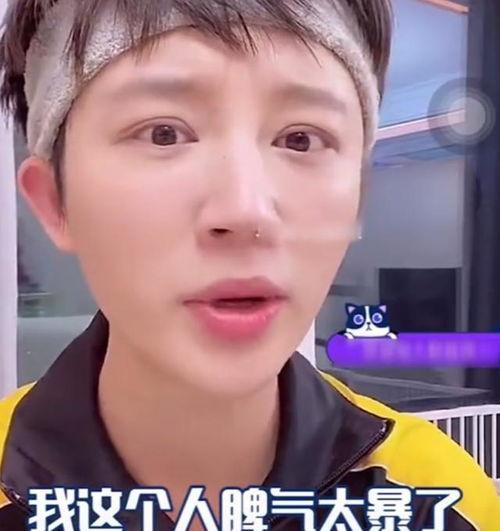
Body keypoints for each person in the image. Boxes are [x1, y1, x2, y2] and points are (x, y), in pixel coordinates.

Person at [0, 0, 498, 529]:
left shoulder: (440, 498)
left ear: (358, 197)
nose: (246, 211)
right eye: (164, 133)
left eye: (301, 139)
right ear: (54, 202)